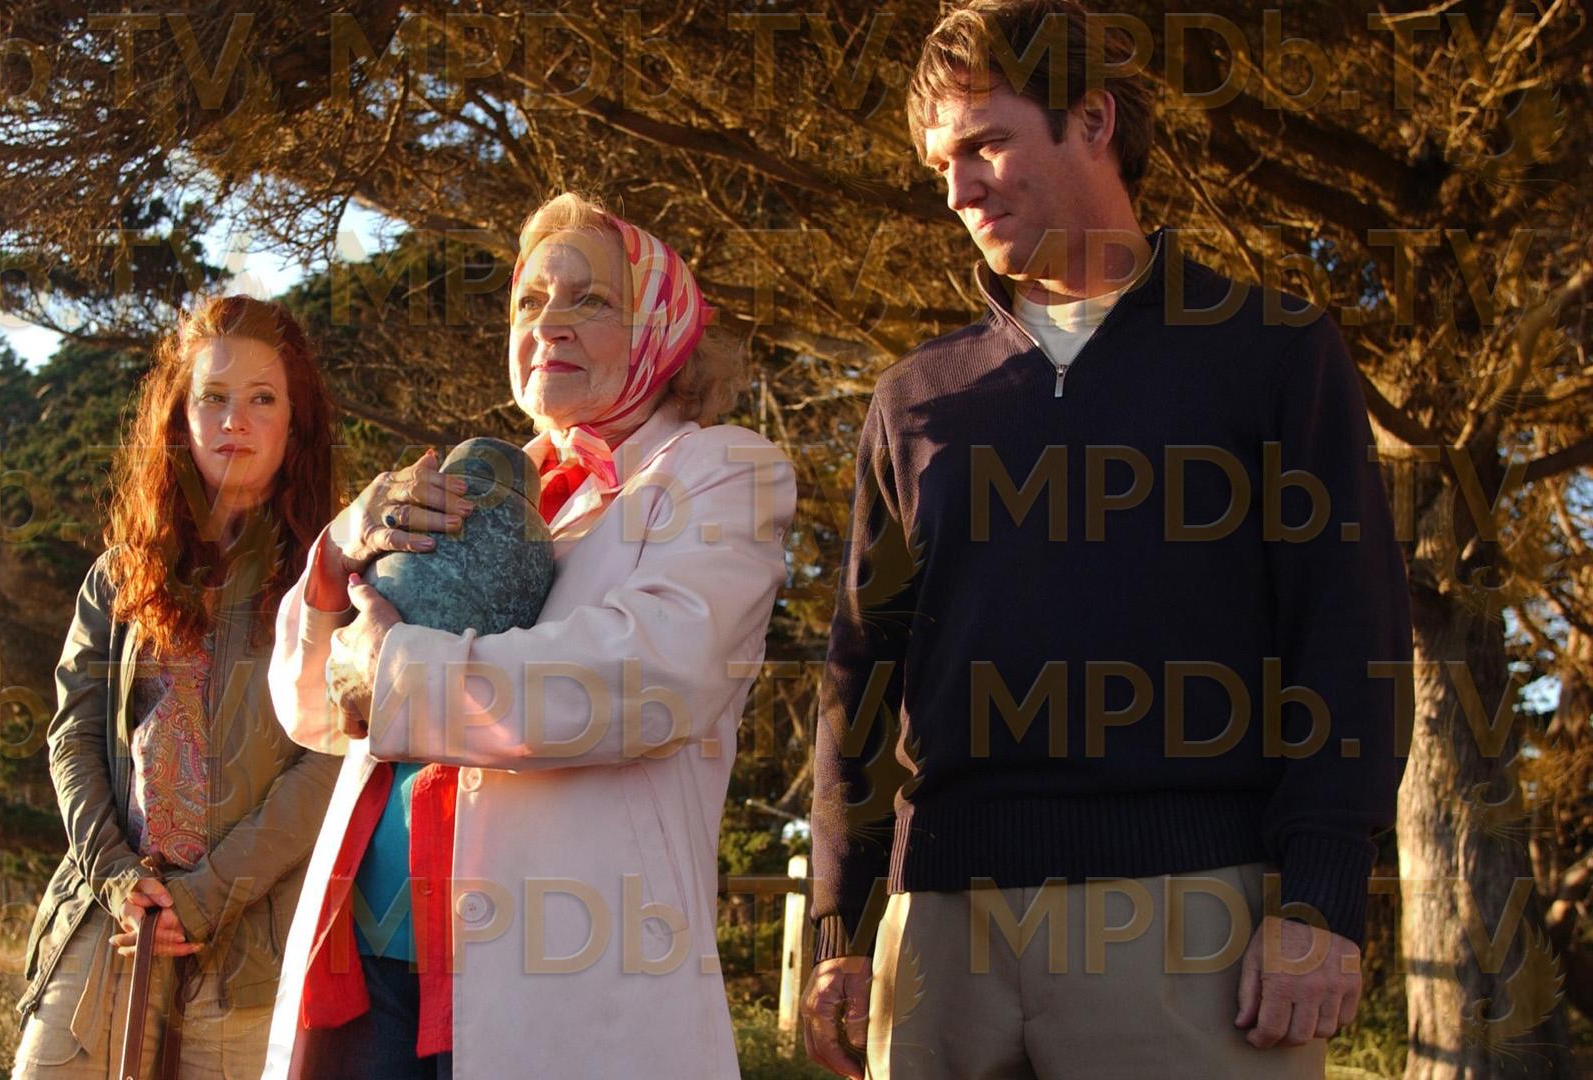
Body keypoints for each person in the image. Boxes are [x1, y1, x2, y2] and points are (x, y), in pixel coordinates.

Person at [800, 3, 1413, 1078]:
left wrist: (1320, 899)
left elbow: (1350, 637)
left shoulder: (1272, 353)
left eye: (986, 144)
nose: (958, 190)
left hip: (1194, 927)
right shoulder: (913, 399)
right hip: (940, 934)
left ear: (1092, 119)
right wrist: (841, 927)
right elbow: (862, 672)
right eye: (941, 165)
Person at [262, 192, 798, 1079]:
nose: (549, 323)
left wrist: (397, 671)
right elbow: (313, 713)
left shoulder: (722, 470)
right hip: (370, 957)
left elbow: (649, 676)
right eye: (530, 301)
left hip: (556, 970)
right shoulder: (469, 480)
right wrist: (337, 557)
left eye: (591, 299)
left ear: (662, 327)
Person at [12, 295, 344, 1078]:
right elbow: (72, 736)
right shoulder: (119, 576)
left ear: (295, 423)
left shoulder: (332, 581)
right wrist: (115, 876)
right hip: (110, 909)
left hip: (254, 933)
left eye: (262, 399)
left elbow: (330, 763)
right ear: (180, 415)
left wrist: (206, 895)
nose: (235, 422)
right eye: (213, 397)